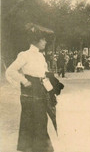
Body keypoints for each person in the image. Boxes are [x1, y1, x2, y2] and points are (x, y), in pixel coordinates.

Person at [5, 23, 58, 152]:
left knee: (42, 121)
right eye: (43, 39)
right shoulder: (25, 55)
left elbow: (44, 76)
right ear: (37, 40)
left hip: (41, 91)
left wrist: (51, 92)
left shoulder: (40, 56)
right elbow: (10, 71)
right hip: (30, 92)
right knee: (31, 123)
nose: (45, 42)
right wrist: (24, 81)